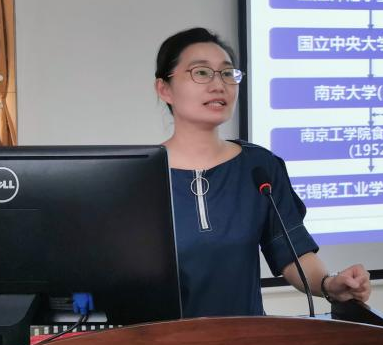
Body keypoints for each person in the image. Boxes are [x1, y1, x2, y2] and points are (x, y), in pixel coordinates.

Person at [153, 27, 371, 317]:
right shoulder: (140, 176)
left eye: (227, 74)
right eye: (201, 73)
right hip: (160, 341)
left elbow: (293, 254)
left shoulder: (259, 166)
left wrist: (330, 284)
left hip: (247, 339)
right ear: (164, 89)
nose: (219, 85)